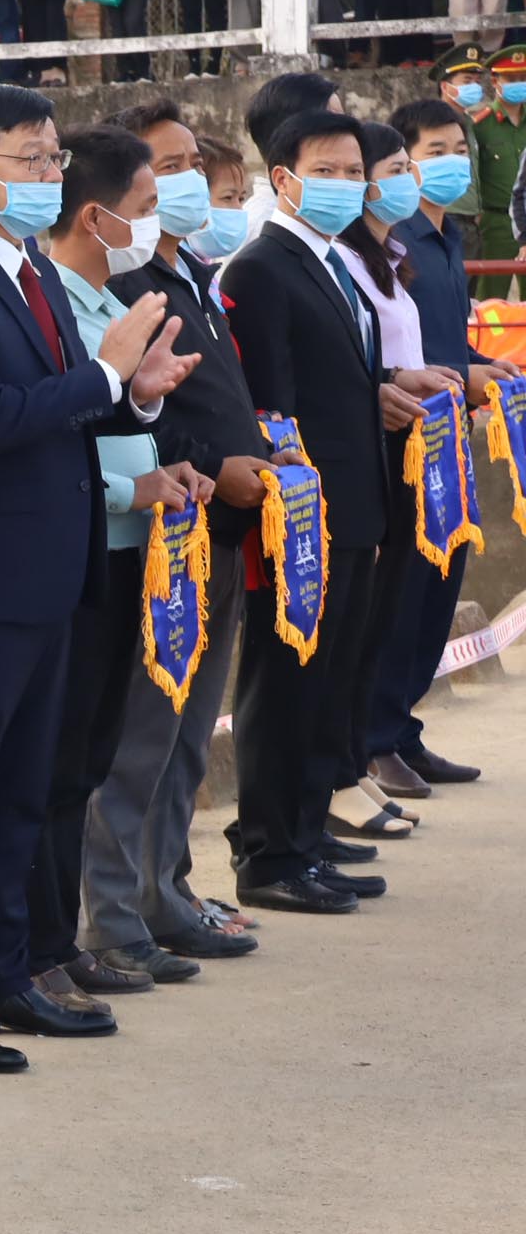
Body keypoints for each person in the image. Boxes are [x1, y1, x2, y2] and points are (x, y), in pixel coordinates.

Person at [0, 84, 193, 1070]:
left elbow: (68, 410)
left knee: (22, 789)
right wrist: (104, 376)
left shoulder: (32, 270)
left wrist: (132, 398)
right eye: (33, 159)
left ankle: (0, 971)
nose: (52, 176)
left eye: (57, 158)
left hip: (55, 566)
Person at [82, 101, 270, 973]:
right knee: (141, 735)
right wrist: (206, 462)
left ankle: (168, 891)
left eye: (191, 163)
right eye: (163, 170)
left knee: (189, 732)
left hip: (214, 527)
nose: (182, 183)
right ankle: (115, 916)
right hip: (159, 530)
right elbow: (123, 417)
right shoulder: (119, 289)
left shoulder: (192, 271)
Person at [33, 126, 208, 1018]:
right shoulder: (53, 306)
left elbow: (118, 427)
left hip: (132, 549)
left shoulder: (114, 300)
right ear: (96, 216)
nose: (155, 224)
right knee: (57, 762)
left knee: (93, 754)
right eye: (145, 207)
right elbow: (49, 435)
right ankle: (39, 947)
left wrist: (157, 447)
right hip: (76, 551)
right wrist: (129, 480)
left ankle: (60, 943)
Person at [220, 108, 396, 915]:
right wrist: (293, 495)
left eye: (353, 170)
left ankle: (307, 830)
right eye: (325, 171)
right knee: (284, 678)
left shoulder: (332, 260)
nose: (345, 185)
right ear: (283, 178)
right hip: (301, 511)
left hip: (353, 503)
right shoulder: (262, 267)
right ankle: (268, 852)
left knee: (327, 677)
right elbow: (273, 401)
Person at [367, 96, 503, 803]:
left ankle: (403, 727)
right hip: (411, 441)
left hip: (451, 439)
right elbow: (403, 352)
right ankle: (376, 736)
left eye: (460, 149)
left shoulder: (450, 237)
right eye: (434, 152)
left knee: (441, 587)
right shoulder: (394, 243)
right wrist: (467, 370)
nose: (452, 163)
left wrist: (486, 366)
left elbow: (447, 339)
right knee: (406, 593)